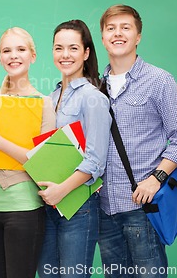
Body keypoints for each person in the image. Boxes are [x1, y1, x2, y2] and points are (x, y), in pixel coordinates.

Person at [98, 4, 177, 278]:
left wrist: (156, 178)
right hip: (105, 209)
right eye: (111, 28)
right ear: (103, 37)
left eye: (125, 28)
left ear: (138, 36)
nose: (118, 34)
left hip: (143, 208)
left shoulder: (160, 81)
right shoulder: (94, 86)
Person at [0, 27, 56, 278]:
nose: (14, 55)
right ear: (0, 58)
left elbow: (43, 163)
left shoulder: (44, 103)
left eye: (21, 49)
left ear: (33, 56)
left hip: (24, 209)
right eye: (6, 50)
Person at [37, 19, 111, 278]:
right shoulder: (50, 97)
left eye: (73, 48)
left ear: (86, 53)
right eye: (58, 48)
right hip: (47, 203)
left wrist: (62, 191)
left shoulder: (93, 98)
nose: (65, 55)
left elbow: (95, 161)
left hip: (79, 206)